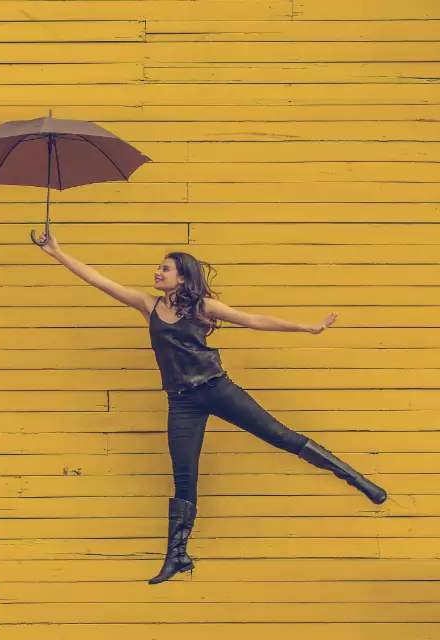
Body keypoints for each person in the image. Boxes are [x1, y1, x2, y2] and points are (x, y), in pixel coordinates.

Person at [33, 231, 387, 585]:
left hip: (217, 389)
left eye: (165, 269)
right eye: (159, 268)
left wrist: (306, 327)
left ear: (182, 277)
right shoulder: (147, 304)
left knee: (280, 436)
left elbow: (252, 319)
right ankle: (177, 555)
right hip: (182, 401)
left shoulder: (202, 306)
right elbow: (99, 280)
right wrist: (57, 253)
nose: (157, 273)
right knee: (184, 477)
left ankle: (357, 479)